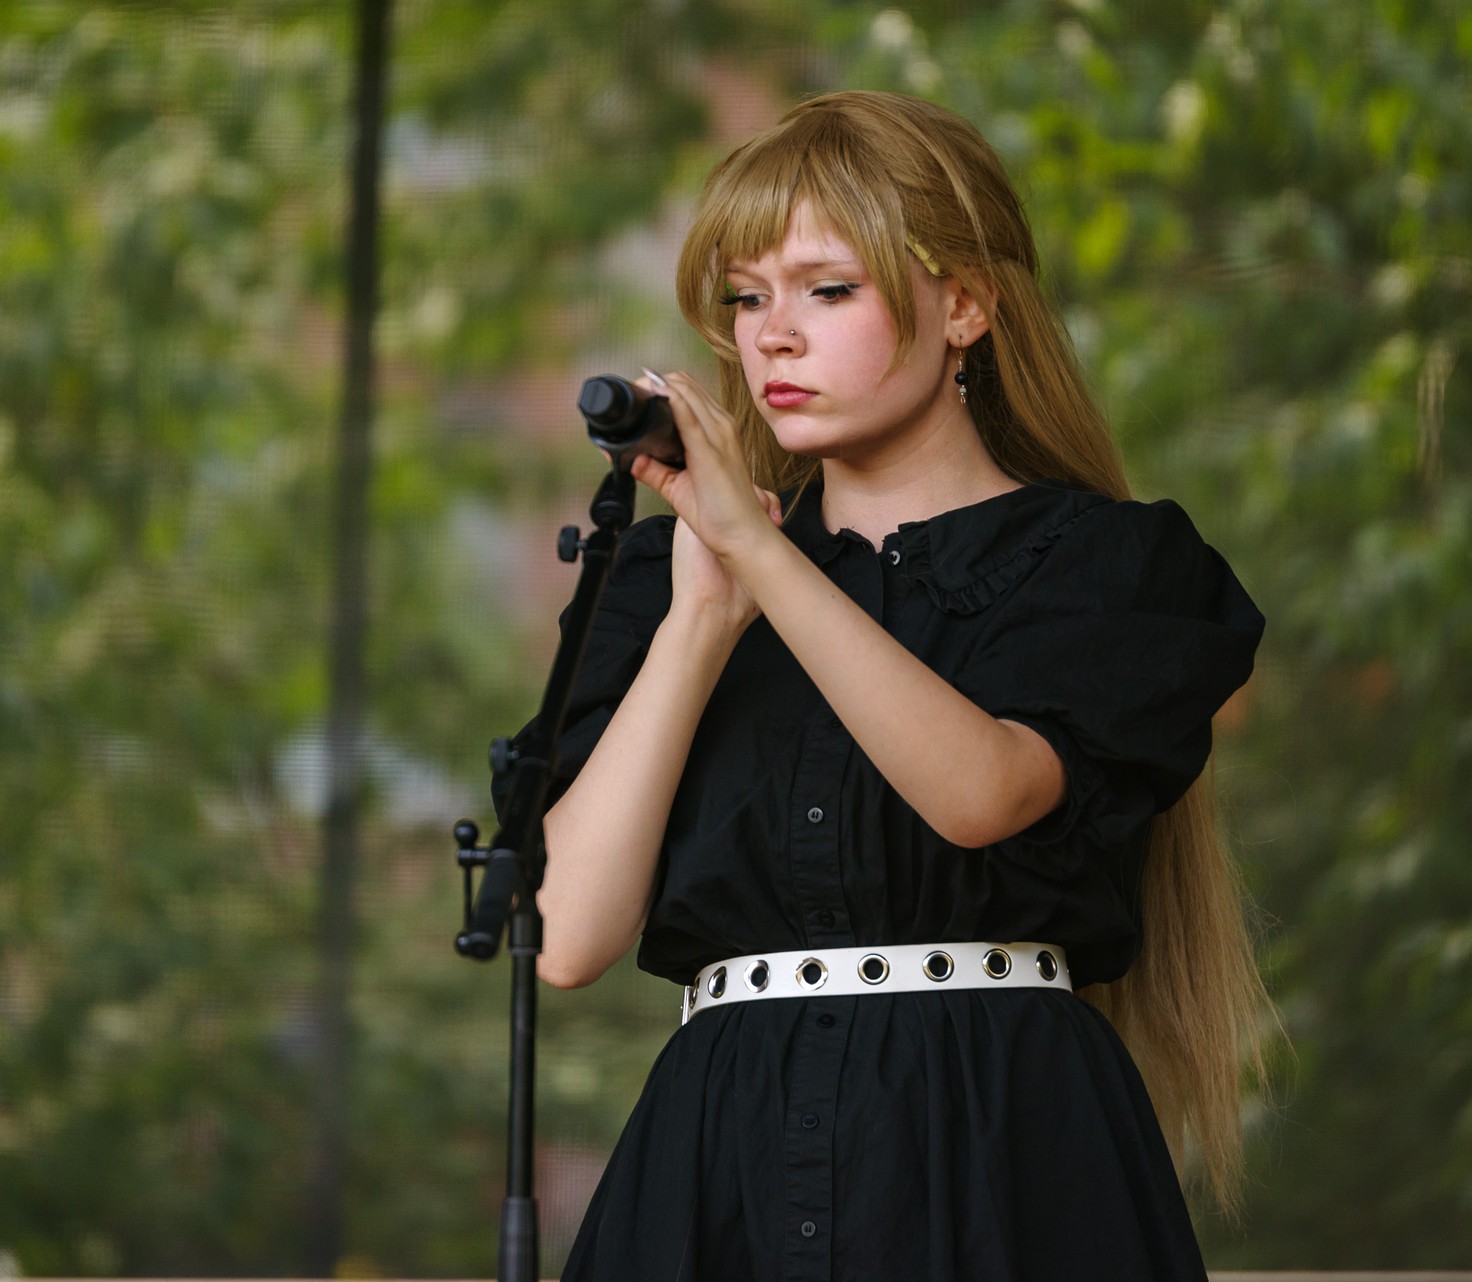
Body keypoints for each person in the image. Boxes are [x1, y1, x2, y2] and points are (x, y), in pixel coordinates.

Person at [519, 91, 1270, 1280]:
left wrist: (762, 555)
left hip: (1002, 1145)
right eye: (746, 298)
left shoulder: (1107, 562)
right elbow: (564, 937)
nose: (773, 336)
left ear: (964, 305)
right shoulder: (672, 579)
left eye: (827, 289)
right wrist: (702, 620)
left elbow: (985, 792)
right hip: (719, 1163)